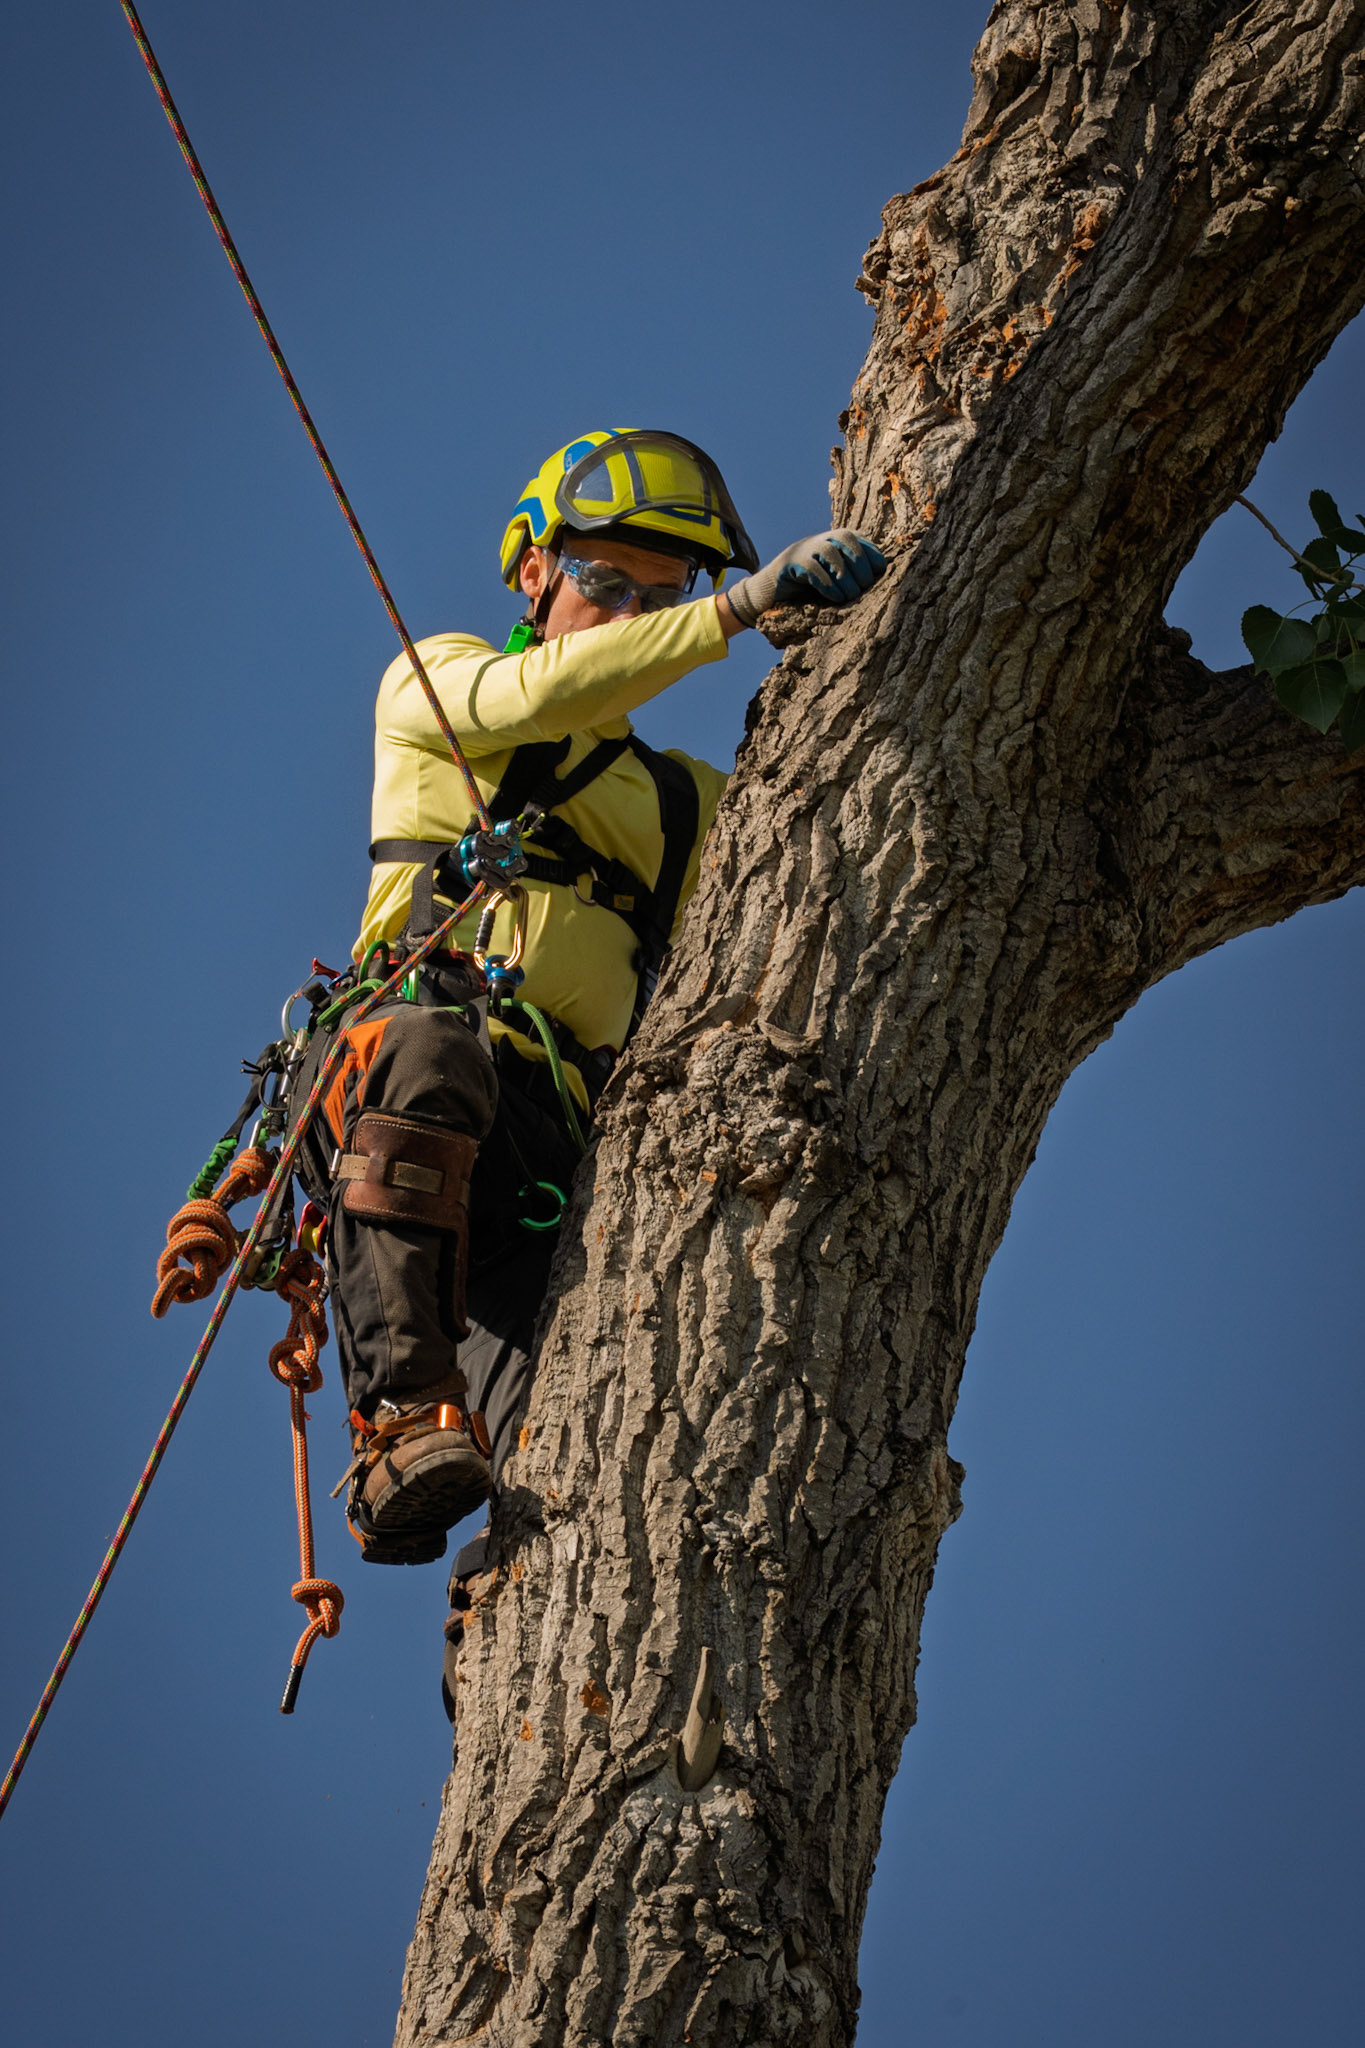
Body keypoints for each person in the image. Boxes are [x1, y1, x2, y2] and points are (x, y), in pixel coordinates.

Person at [291, 429, 886, 1699]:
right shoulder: (437, 684)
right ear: (535, 573)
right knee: (431, 1045)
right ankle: (399, 1416)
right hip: (405, 1073)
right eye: (605, 582)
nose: (627, 615)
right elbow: (538, 697)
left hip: (552, 1154)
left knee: (584, 1393)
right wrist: (737, 607)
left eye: (656, 597)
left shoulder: (680, 805)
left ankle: (514, 1633)